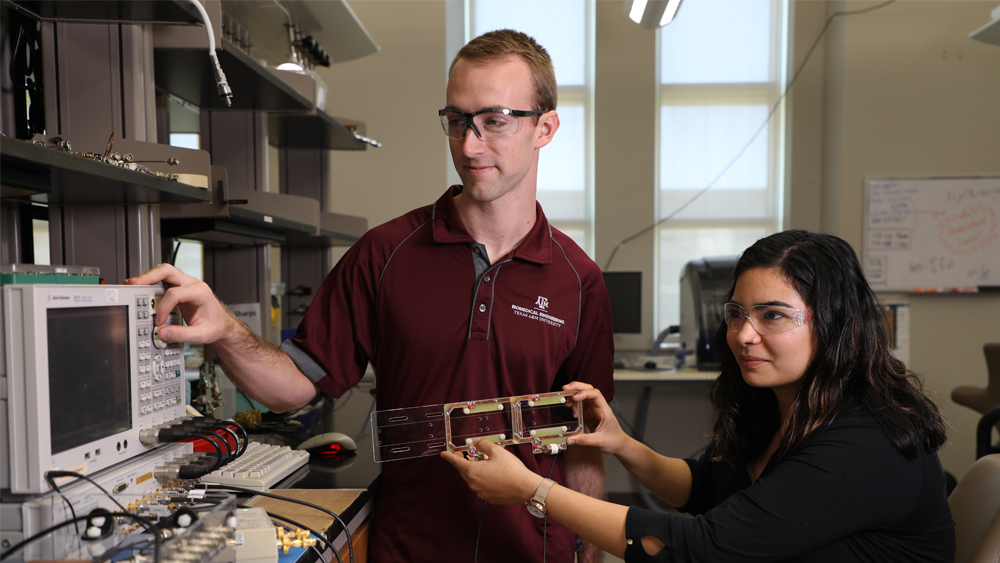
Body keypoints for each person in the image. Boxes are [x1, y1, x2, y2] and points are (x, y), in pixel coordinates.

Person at [126, 29, 614, 563]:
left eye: (494, 121)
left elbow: (585, 443)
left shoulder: (578, 279)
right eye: (456, 121)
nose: (469, 145)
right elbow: (291, 388)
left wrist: (587, 551)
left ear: (544, 127)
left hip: (533, 550)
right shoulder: (385, 254)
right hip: (411, 547)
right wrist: (225, 329)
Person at [445, 230, 955, 562]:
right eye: (737, 313)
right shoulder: (782, 407)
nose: (743, 335)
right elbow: (707, 486)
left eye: (773, 315)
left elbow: (700, 548)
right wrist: (623, 444)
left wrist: (533, 490)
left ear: (834, 325)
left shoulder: (865, 442)